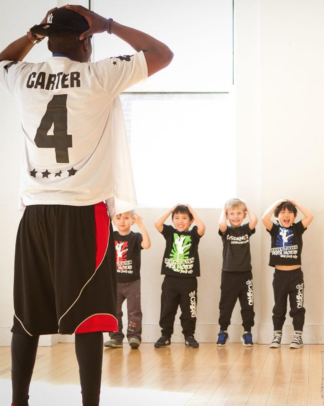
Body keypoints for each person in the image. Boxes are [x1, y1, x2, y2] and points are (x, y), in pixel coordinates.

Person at [0, 5, 172, 405]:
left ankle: (18, 400)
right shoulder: (99, 75)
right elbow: (162, 54)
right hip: (83, 210)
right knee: (90, 316)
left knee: (26, 318)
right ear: (86, 38)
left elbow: (5, 59)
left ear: (47, 37)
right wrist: (109, 25)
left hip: (35, 212)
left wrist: (32, 35)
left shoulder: (23, 77)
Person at [262, 199, 314, 349]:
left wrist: (296, 203)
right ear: (278, 215)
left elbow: (310, 216)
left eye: (290, 212)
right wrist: (277, 204)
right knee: (278, 307)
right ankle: (277, 335)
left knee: (297, 307)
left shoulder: (297, 228)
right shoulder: (274, 229)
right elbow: (264, 218)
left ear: (294, 216)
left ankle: (298, 336)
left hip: (296, 275)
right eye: (282, 212)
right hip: (279, 276)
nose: (286, 215)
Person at [154, 204, 206, 349]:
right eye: (176, 218)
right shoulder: (170, 232)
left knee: (189, 309)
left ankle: (189, 335)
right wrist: (170, 210)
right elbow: (157, 224)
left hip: (189, 280)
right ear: (172, 220)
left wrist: (193, 211)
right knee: (167, 308)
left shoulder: (194, 234)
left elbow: (202, 228)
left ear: (191, 221)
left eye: (184, 218)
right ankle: (165, 335)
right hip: (170, 279)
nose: (180, 221)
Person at [104, 211, 151, 349]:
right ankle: (116, 338)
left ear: (132, 220)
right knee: (114, 310)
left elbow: (147, 245)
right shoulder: (111, 236)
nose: (122, 221)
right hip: (115, 282)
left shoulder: (135, 237)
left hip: (133, 282)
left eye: (126, 218)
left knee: (134, 311)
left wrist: (142, 225)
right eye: (118, 218)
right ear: (113, 221)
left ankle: (134, 337)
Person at [217, 198, 258, 346]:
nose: (235, 216)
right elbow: (221, 224)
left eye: (239, 213)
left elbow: (255, 220)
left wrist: (247, 207)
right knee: (226, 305)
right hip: (228, 274)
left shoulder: (246, 229)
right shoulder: (226, 231)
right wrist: (224, 211)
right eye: (232, 214)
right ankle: (223, 331)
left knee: (247, 305)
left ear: (244, 214)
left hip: (245, 274)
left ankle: (247, 332)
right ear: (227, 215)